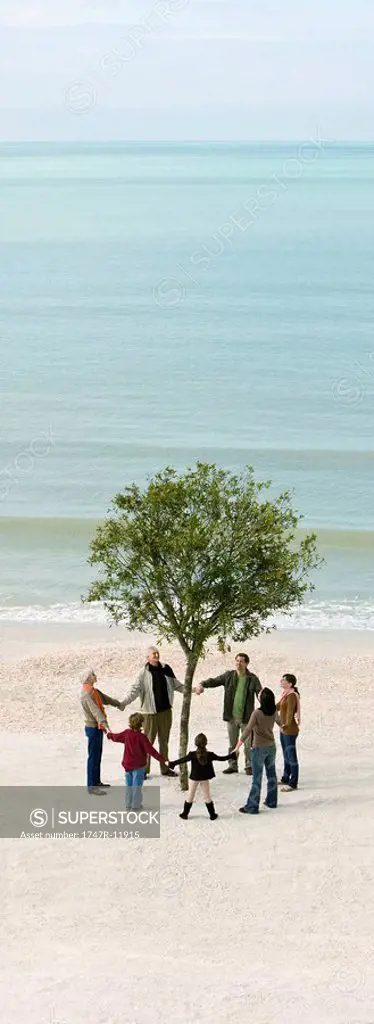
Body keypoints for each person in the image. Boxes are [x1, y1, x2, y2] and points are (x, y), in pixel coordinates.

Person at [193, 653, 261, 775]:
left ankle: (249, 766)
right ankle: (233, 765)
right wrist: (202, 684)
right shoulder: (228, 676)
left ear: (246, 663)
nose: (238, 663)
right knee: (232, 744)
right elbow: (214, 681)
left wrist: (264, 700)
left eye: (241, 661)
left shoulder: (253, 679)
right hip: (231, 717)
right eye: (237, 661)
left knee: (248, 745)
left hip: (247, 718)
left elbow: (260, 693)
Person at [120, 647, 184, 777]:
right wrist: (123, 703)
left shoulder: (166, 669)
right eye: (153, 654)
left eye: (157, 653)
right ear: (148, 657)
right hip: (149, 714)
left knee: (164, 742)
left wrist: (192, 690)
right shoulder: (143, 673)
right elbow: (134, 691)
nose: (156, 655)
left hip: (166, 712)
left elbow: (177, 685)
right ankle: (144, 770)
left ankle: (165, 769)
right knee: (147, 743)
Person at [169, 734, 236, 820]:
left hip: (194, 778)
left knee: (190, 796)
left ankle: (185, 814)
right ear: (206, 743)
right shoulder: (210, 755)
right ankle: (212, 815)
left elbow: (182, 760)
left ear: (195, 743)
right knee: (207, 796)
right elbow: (221, 758)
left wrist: (173, 763)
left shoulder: (192, 754)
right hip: (204, 778)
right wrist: (231, 756)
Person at [107, 712, 166, 810]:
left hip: (127, 765)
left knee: (128, 786)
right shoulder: (142, 737)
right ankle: (135, 805)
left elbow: (116, 737)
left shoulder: (127, 734)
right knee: (137, 787)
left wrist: (109, 735)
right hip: (138, 766)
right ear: (141, 724)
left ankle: (128, 803)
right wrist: (163, 760)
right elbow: (151, 751)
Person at [235, 687, 277, 815]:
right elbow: (282, 723)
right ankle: (272, 801)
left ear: (261, 699)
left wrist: (238, 744)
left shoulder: (257, 713)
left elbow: (247, 730)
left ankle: (252, 806)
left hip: (259, 748)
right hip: (271, 747)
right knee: (271, 775)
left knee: (257, 778)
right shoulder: (274, 711)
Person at [80, 668, 123, 795]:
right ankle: (91, 786)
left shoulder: (94, 691)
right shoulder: (86, 694)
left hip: (97, 728)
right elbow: (96, 712)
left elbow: (106, 699)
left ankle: (96, 781)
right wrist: (106, 726)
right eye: (93, 675)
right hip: (93, 728)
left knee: (98, 755)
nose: (95, 676)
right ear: (88, 678)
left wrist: (119, 704)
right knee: (93, 757)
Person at [276, 673, 300, 791]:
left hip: (289, 730)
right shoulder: (285, 695)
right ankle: (286, 777)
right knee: (286, 755)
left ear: (290, 683)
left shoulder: (291, 696)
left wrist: (285, 725)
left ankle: (293, 782)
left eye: (284, 680)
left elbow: (290, 713)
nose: (281, 681)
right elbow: (277, 707)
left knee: (291, 756)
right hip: (283, 729)